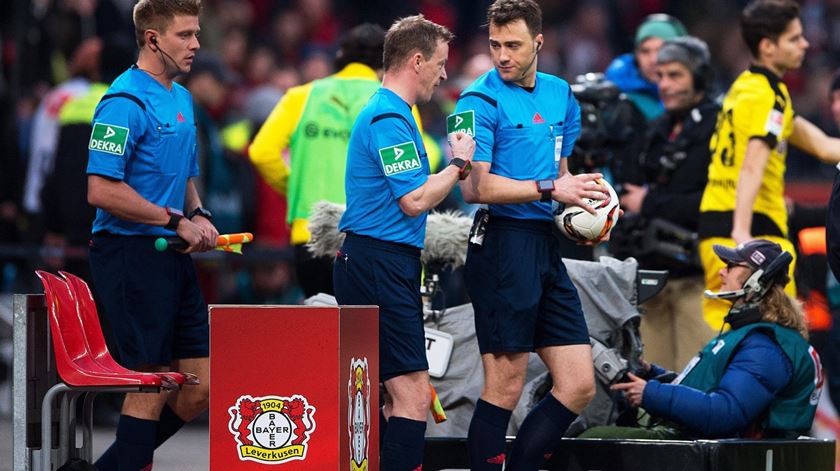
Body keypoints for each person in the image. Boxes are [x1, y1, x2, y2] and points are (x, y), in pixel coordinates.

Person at [454, 1, 608, 468]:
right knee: (504, 385)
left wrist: (578, 213)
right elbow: (474, 186)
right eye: (495, 44)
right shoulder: (475, 101)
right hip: (502, 245)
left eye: (513, 45)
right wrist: (549, 188)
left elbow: (560, 172)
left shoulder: (561, 94)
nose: (502, 55)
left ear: (539, 43)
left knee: (579, 383)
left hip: (544, 244)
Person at [332, 15, 474, 470]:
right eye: (439, 62)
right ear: (416, 60)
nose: (444, 72)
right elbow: (414, 200)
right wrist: (459, 164)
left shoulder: (392, 112)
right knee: (412, 395)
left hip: (375, 259)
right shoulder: (390, 116)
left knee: (392, 398)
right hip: (379, 262)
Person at [85, 1, 217, 469]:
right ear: (152, 39)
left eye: (196, 33)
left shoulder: (181, 98)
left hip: (171, 252)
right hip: (129, 255)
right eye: (185, 35)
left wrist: (198, 212)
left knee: (199, 387)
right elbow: (100, 190)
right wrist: (173, 220)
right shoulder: (123, 102)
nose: (197, 44)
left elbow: (184, 176)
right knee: (153, 382)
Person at [584, 239, 822, 440]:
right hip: (702, 442)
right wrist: (651, 374)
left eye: (731, 266)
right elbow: (706, 390)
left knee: (589, 439)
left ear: (756, 281)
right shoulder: (756, 335)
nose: (721, 271)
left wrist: (650, 393)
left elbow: (724, 414)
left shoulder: (765, 347)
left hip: (711, 449)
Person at [699, 0, 840, 332]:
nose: (804, 44)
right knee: (781, 337)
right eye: (794, 38)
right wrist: (742, 235)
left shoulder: (745, 88)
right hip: (753, 234)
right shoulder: (769, 97)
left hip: (713, 226)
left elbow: (823, 146)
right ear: (768, 46)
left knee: (722, 340)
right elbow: (752, 165)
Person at [250, 23, 390, 297]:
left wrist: (295, 188)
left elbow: (261, 151)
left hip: (310, 233)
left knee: (321, 329)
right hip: (368, 235)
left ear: (341, 56)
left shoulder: (302, 95)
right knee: (364, 332)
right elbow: (424, 158)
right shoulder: (392, 102)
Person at [610, 37, 719, 370]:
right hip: (651, 279)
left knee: (694, 383)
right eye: (661, 76)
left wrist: (651, 202)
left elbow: (715, 201)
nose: (665, 85)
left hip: (697, 279)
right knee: (650, 383)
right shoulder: (655, 129)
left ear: (699, 77)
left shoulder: (720, 125)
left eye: (676, 75)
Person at [605, 13, 687, 122]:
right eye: (645, 51)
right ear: (636, 56)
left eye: (661, 50)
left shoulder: (701, 104)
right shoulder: (617, 100)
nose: (653, 60)